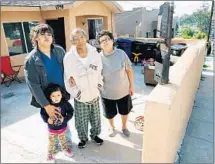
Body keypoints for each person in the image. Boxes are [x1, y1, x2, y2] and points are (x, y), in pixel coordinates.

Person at [24, 23, 72, 154]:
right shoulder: (31, 59)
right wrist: (46, 105)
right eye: (43, 34)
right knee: (53, 122)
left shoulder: (59, 51)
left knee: (64, 118)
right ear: (36, 38)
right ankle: (55, 147)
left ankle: (66, 143)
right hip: (48, 99)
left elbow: (67, 69)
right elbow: (33, 85)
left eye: (49, 34)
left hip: (61, 94)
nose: (47, 37)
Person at [64, 28, 103, 149]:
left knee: (95, 117)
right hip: (80, 95)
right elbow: (68, 78)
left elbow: (100, 71)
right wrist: (77, 93)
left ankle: (95, 135)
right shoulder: (69, 57)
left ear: (85, 37)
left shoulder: (94, 53)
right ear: (72, 42)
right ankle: (83, 138)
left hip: (94, 93)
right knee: (81, 119)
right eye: (75, 39)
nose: (79, 40)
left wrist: (99, 86)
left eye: (81, 37)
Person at [97, 30, 134, 137]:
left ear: (112, 41)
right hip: (106, 93)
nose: (105, 42)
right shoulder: (98, 58)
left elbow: (129, 71)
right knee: (109, 114)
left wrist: (131, 86)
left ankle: (124, 127)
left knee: (125, 111)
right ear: (100, 44)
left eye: (107, 39)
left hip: (123, 91)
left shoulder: (121, 54)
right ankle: (112, 127)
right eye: (102, 41)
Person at [41, 83, 74, 162]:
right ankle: (50, 154)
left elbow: (70, 111)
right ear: (49, 96)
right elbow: (42, 113)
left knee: (63, 140)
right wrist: (47, 120)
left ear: (61, 95)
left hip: (63, 128)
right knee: (52, 142)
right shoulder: (47, 105)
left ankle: (65, 149)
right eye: (53, 96)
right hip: (52, 129)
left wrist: (65, 119)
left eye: (58, 95)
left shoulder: (65, 103)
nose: (56, 98)